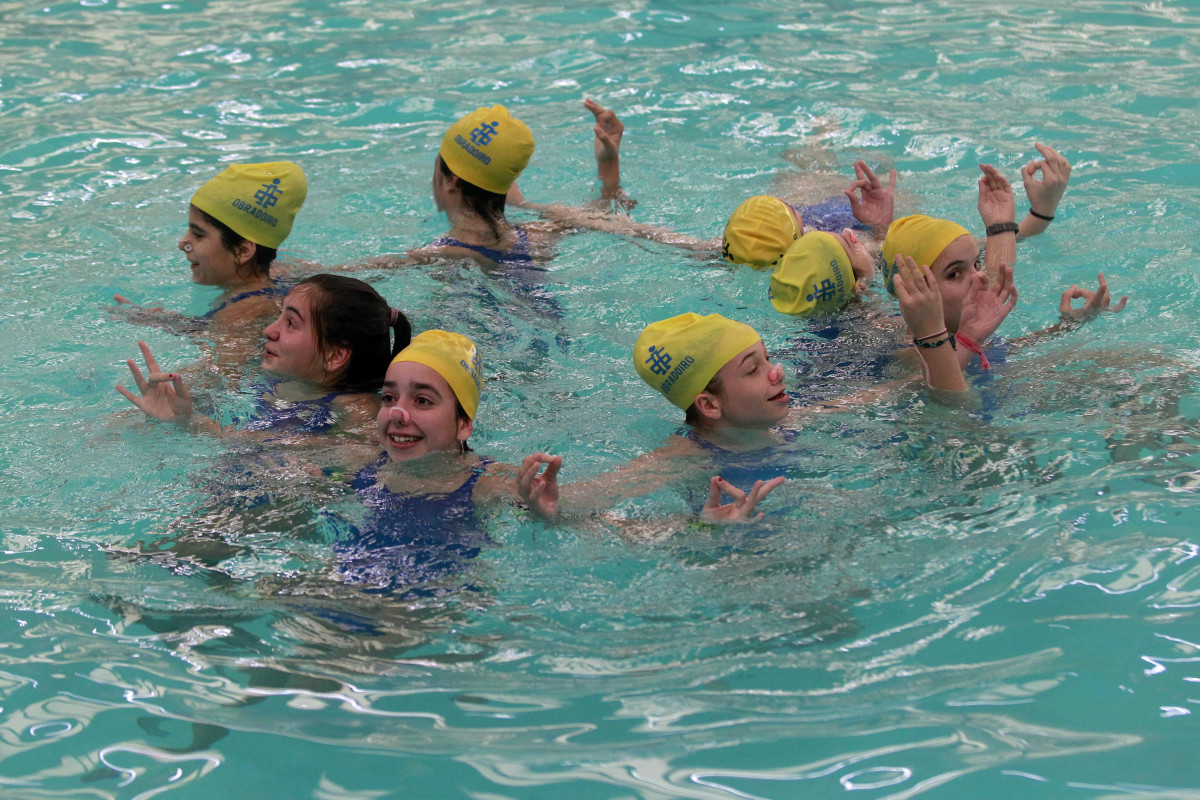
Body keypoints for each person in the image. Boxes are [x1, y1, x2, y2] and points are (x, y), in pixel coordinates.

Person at [517, 263, 966, 523]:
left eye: (768, 359)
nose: (778, 374)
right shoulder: (687, 457)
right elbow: (586, 500)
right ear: (709, 405)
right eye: (755, 369)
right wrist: (549, 506)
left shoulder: (792, 420)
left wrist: (944, 337)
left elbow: (923, 394)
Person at [116, 274, 410, 438]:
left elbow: (275, 449)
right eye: (279, 315)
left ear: (335, 357)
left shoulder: (359, 415)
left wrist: (192, 424)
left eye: (291, 323)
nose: (269, 330)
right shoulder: (262, 370)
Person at [113, 162, 308, 344]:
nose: (183, 243)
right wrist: (172, 322)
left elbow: (224, 377)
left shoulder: (235, 314)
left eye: (198, 234)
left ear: (243, 251)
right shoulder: (283, 272)